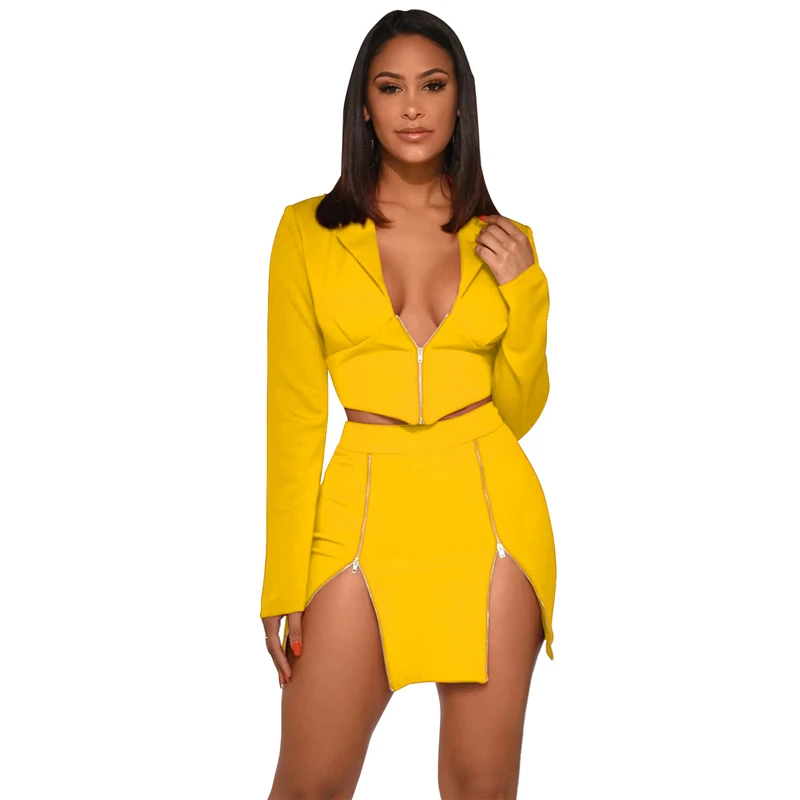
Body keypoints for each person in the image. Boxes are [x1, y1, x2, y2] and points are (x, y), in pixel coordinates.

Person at [261, 9, 556, 799]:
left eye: (433, 85)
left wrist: (527, 293)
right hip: (358, 520)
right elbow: (293, 415)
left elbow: (519, 410)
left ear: (461, 100)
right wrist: (283, 578)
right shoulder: (306, 234)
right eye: (390, 88)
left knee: (479, 788)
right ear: (364, 106)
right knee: (308, 784)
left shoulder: (507, 241)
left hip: (491, 521)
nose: (414, 107)